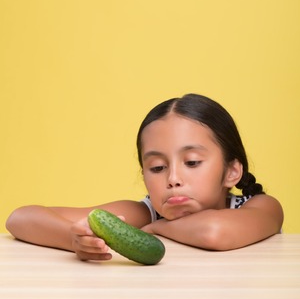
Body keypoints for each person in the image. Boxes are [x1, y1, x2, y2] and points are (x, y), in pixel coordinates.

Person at [6, 93, 283, 260]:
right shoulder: (143, 212)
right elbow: (20, 218)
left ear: (232, 171)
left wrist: (154, 230)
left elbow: (215, 233)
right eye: (158, 168)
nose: (173, 178)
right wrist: (73, 238)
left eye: (192, 162)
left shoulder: (261, 206)